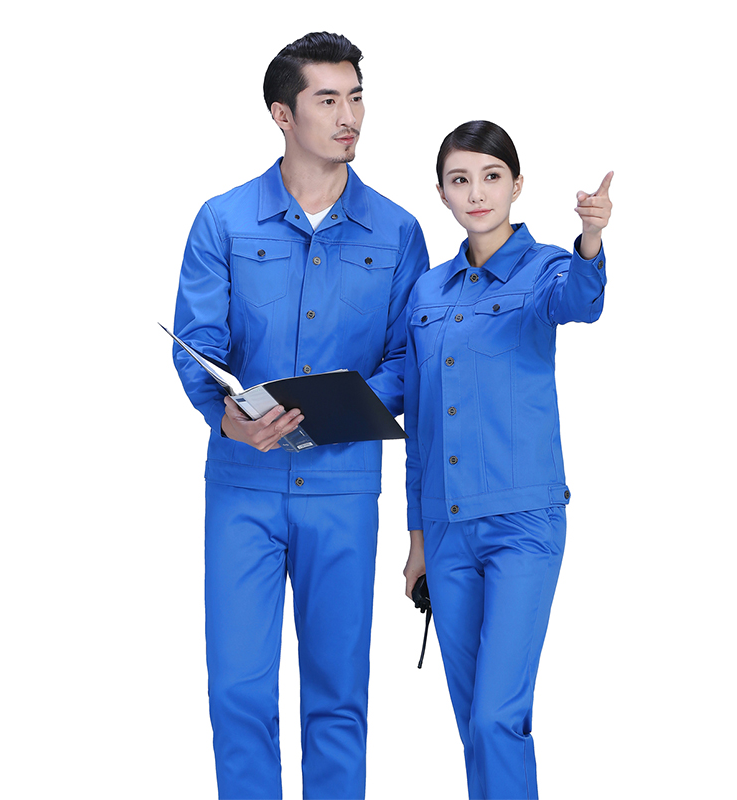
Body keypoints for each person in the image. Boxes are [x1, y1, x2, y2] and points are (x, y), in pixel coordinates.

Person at [172, 32, 429, 800]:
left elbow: (408, 358)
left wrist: (346, 409)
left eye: (357, 97)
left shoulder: (397, 231)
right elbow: (198, 343)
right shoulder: (224, 221)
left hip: (343, 489)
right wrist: (227, 419)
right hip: (243, 487)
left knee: (338, 696)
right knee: (238, 693)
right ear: (282, 114)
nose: (349, 116)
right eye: (328, 99)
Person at [402, 120, 612, 799]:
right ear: (441, 192)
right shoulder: (427, 293)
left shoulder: (546, 267)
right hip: (446, 530)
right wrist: (418, 541)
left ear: (516, 185)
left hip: (523, 523)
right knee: (474, 722)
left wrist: (591, 238)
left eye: (491, 177)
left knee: (498, 717)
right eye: (460, 180)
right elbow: (421, 427)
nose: (477, 193)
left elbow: (580, 301)